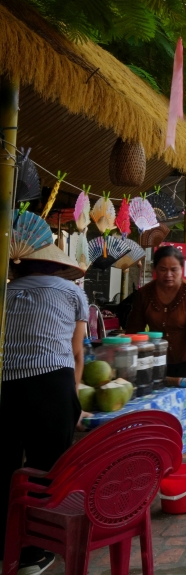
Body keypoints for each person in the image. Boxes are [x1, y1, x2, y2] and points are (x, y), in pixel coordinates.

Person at [0, 243, 89, 575]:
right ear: (56, 266)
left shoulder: (5, 293)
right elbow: (76, 352)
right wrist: (74, 402)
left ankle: (5, 545)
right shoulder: (72, 292)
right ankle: (33, 552)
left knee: (6, 466)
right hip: (52, 383)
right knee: (47, 469)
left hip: (5, 385)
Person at [127, 245, 186, 479]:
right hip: (160, 358)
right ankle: (164, 458)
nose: (168, 274)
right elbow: (134, 330)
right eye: (163, 269)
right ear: (154, 270)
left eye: (174, 269)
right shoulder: (145, 293)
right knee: (163, 408)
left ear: (182, 270)